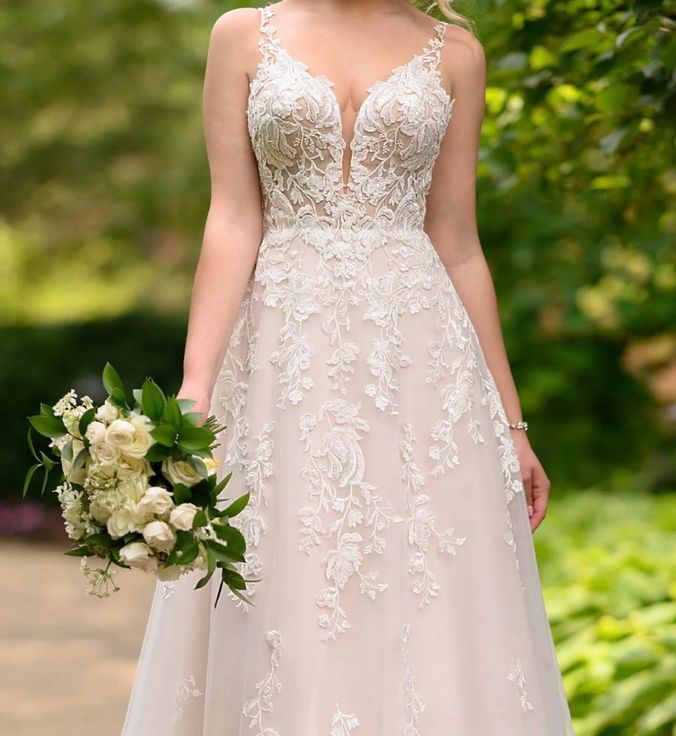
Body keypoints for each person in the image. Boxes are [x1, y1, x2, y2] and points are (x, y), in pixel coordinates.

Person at [122, 0, 576, 732]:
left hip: (419, 360)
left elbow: (457, 238)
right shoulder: (243, 33)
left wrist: (512, 422)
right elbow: (233, 217)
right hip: (281, 353)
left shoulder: (455, 50)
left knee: (423, 582)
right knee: (285, 579)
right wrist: (196, 383)